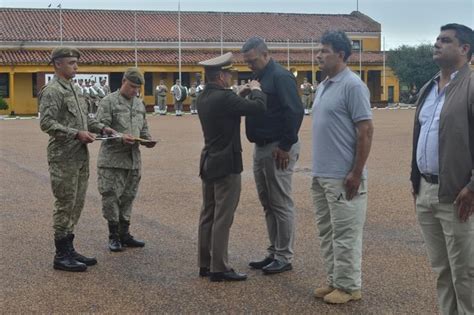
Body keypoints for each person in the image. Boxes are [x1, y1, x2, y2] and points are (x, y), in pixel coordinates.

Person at [410, 24, 474, 315]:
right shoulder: (428, 87)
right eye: (437, 39)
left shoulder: (471, 85)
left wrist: (472, 187)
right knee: (442, 272)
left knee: (465, 274)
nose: (437, 44)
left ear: (465, 49)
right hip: (426, 191)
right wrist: (416, 182)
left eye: (445, 41)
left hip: (458, 194)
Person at [311, 30, 374, 304]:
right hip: (322, 174)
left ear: (342, 54)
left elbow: (366, 131)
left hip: (343, 176)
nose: (319, 55)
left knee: (346, 233)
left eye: (324, 50)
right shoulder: (324, 85)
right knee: (327, 232)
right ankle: (335, 280)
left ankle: (350, 286)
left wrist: (356, 172)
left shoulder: (353, 86)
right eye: (319, 50)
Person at [39, 47, 115, 272]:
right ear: (57, 64)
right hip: (63, 156)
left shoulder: (74, 88)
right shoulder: (52, 91)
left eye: (76, 62)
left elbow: (84, 120)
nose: (76, 67)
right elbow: (47, 124)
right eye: (71, 62)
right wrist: (76, 134)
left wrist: (102, 127)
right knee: (65, 203)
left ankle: (69, 248)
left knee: (76, 203)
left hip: (79, 155)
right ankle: (61, 254)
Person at [197, 52, 266, 282]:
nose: (230, 77)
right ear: (221, 76)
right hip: (226, 162)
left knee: (208, 214)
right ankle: (220, 267)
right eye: (228, 74)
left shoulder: (205, 96)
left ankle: (205, 263)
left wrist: (239, 92)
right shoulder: (225, 98)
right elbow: (258, 108)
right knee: (223, 217)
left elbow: (228, 102)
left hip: (209, 160)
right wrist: (255, 89)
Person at [241, 37, 304, 275]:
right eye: (247, 62)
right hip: (261, 146)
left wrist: (286, 145)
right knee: (268, 202)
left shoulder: (280, 76)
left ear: (266, 54)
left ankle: (284, 255)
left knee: (280, 202)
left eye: (253, 60)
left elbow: (295, 110)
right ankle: (273, 251)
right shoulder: (260, 77)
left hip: (278, 147)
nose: (250, 65)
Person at [95, 68, 156, 252]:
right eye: (131, 87)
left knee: (128, 196)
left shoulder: (139, 104)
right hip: (113, 160)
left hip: (133, 160)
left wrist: (147, 140)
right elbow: (98, 126)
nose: (134, 91)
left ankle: (125, 233)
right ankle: (113, 235)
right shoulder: (109, 101)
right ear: (123, 81)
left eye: (137, 88)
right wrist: (118, 136)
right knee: (111, 196)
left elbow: (143, 128)